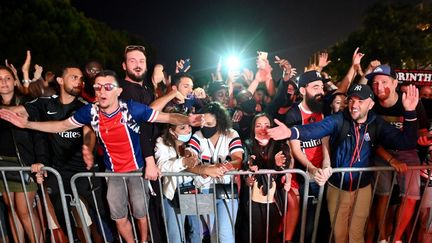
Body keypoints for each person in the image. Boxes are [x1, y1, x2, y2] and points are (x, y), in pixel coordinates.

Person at [0, 70, 203, 243]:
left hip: (136, 170)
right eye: (98, 87)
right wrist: (27, 124)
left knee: (140, 213)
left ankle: (143, 240)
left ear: (118, 91)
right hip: (112, 172)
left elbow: (166, 117)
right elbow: (61, 125)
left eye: (108, 87)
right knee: (118, 217)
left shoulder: (131, 109)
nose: (102, 91)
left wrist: (188, 119)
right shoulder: (90, 111)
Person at [266, 84, 420, 243]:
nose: (354, 105)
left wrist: (409, 112)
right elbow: (316, 129)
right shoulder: (339, 120)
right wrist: (291, 132)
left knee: (356, 235)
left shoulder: (376, 123)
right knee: (339, 235)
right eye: (352, 100)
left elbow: (406, 142)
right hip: (337, 187)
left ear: (371, 104)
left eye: (360, 101)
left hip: (363, 188)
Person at [366, 65, 429, 243]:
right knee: (382, 195)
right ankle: (383, 238)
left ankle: (396, 238)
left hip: (407, 152)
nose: (379, 87)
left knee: (411, 196)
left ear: (395, 83)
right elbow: (372, 141)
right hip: (381, 152)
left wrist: (424, 140)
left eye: (384, 82)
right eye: (375, 83)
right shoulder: (372, 106)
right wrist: (391, 159)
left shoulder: (410, 101)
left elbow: (423, 131)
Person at [284, 70, 331, 242]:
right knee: (308, 223)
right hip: (305, 176)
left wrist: (327, 164)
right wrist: (311, 169)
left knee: (323, 221)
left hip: (322, 176)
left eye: (322, 87)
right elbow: (295, 149)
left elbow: (325, 141)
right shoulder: (293, 114)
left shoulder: (322, 110)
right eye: (315, 87)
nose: (321, 91)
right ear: (303, 90)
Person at [186, 102, 244, 243]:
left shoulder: (231, 134)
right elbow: (188, 159)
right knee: (212, 234)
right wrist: (205, 169)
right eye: (204, 124)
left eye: (210, 125)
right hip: (203, 190)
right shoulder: (198, 136)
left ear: (220, 122)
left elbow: (238, 159)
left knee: (225, 234)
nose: (206, 128)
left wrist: (222, 167)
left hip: (226, 190)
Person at [0, 65, 45, 243]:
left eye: (7, 78)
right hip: (2, 164)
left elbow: (39, 135)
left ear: (14, 80)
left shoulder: (27, 102)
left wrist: (40, 161)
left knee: (24, 210)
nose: (3, 82)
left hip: (25, 163)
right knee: (11, 208)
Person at [239, 113, 291, 243]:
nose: (263, 129)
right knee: (255, 234)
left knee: (272, 234)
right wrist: (248, 176)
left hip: (274, 198)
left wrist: (278, 165)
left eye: (267, 126)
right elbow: (246, 165)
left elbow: (284, 168)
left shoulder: (280, 145)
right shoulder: (247, 144)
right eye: (258, 126)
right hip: (252, 198)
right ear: (253, 128)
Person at [154, 110, 201, 243]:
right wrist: (183, 162)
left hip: (193, 189)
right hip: (172, 192)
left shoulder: (193, 141)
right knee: (175, 234)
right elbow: (162, 166)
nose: (187, 130)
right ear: (171, 130)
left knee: (197, 232)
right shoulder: (161, 142)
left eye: (188, 126)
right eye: (182, 127)